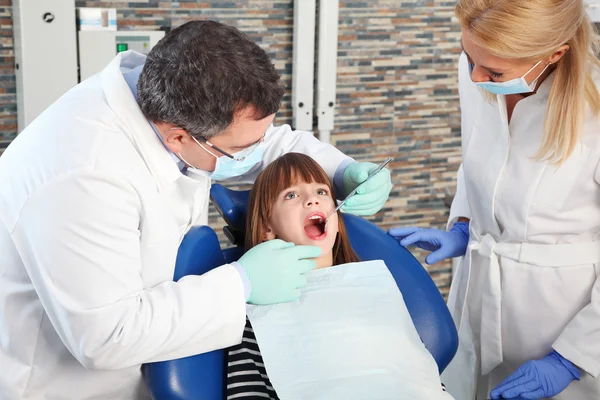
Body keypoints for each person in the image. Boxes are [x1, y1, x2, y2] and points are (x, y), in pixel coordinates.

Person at [0, 20, 392, 399]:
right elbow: (106, 336)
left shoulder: (177, 101)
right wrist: (242, 285)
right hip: (66, 384)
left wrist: (340, 169)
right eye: (240, 151)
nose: (255, 153)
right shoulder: (81, 174)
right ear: (178, 138)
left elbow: (260, 141)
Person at [389, 0, 600, 399]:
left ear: (554, 54)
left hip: (567, 327)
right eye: (467, 57)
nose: (475, 76)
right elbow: (479, 160)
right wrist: (465, 226)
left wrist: (572, 357)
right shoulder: (479, 70)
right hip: (477, 300)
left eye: (493, 71)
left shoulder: (594, 108)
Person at [225, 152, 449, 399]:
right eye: (291, 195)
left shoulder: (374, 291)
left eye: (321, 192)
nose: (312, 200)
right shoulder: (254, 315)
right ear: (268, 227)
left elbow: (421, 378)